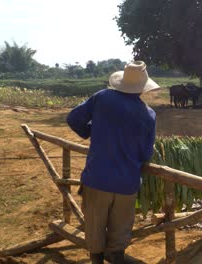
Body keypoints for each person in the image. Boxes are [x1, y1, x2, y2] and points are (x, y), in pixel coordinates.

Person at [67, 61, 160, 263]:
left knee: (95, 237)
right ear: (143, 86)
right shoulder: (149, 115)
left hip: (97, 179)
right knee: (117, 245)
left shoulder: (103, 98)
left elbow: (73, 118)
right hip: (127, 184)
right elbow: (146, 154)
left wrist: (92, 132)